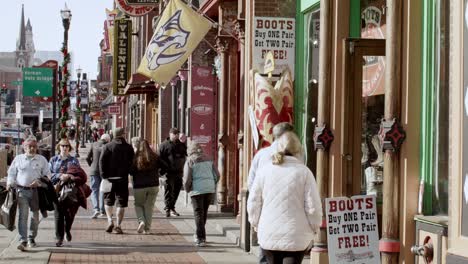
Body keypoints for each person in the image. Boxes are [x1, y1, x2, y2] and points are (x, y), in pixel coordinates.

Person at [247, 132, 322, 264]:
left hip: (269, 232)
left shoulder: (264, 171)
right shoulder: (304, 172)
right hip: (296, 235)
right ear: (298, 150)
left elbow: (253, 202)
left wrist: (255, 224)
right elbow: (313, 207)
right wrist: (315, 227)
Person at [247, 122, 296, 263]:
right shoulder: (297, 156)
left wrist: (254, 219)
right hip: (289, 212)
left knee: (266, 249)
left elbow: (252, 185)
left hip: (266, 211)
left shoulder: (261, 155)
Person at [7, 137, 50, 251]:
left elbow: (47, 175)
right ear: (24, 148)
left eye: (34, 146)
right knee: (23, 216)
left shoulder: (42, 160)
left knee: (34, 217)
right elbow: (11, 173)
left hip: (36, 192)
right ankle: (23, 240)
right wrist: (10, 183)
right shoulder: (18, 159)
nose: (32, 149)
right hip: (21, 191)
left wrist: (39, 181)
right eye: (29, 146)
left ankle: (32, 238)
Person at [183, 141, 219, 247]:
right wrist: (212, 183)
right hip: (209, 189)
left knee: (198, 213)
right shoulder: (209, 159)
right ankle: (200, 234)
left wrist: (187, 189)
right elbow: (217, 175)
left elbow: (187, 178)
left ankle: (200, 238)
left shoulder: (190, 161)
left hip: (197, 190)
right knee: (204, 213)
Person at [99, 127, 134, 234]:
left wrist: (104, 176)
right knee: (121, 203)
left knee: (108, 201)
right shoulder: (128, 147)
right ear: (123, 135)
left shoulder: (107, 146)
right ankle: (118, 225)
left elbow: (101, 162)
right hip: (122, 179)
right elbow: (132, 163)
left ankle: (110, 220)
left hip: (109, 179)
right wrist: (129, 173)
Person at [49, 138, 81, 247]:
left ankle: (67, 230)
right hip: (57, 190)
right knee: (58, 215)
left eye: (67, 146)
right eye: (63, 146)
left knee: (69, 214)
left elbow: (79, 173)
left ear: (69, 148)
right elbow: (49, 174)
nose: (65, 148)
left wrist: (70, 176)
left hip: (70, 190)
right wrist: (59, 176)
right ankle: (59, 238)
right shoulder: (53, 160)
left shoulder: (73, 160)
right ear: (59, 147)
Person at [129, 139, 163, 234]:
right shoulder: (155, 156)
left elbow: (131, 171)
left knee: (138, 204)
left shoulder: (136, 158)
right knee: (149, 207)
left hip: (139, 186)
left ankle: (142, 221)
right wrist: (159, 173)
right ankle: (147, 229)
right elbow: (165, 166)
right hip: (153, 185)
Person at [158, 127, 187, 217]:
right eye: (175, 134)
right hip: (168, 172)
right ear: (170, 134)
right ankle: (167, 208)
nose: (176, 136)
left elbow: (185, 155)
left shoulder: (181, 145)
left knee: (177, 190)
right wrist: (161, 171)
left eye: (177, 134)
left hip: (179, 171)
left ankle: (172, 207)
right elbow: (159, 158)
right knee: (168, 190)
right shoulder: (164, 145)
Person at [86, 133, 111, 218]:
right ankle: (102, 210)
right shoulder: (108, 146)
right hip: (104, 172)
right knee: (102, 190)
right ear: (108, 140)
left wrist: (92, 165)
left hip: (94, 170)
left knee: (94, 190)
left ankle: (96, 209)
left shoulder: (94, 144)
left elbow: (87, 158)